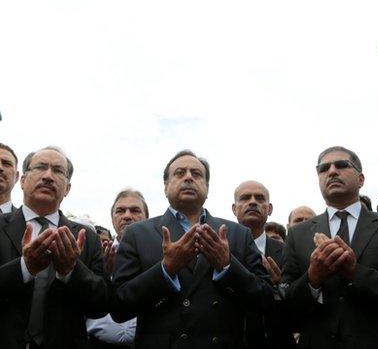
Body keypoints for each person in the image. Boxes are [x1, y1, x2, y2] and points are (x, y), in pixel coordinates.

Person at [112, 150, 273, 348]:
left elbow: (266, 300)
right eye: (180, 173)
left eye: (196, 174)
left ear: (207, 187)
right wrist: (166, 270)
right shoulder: (137, 234)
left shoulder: (238, 234)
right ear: (165, 187)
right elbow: (118, 308)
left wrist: (227, 266)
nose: (188, 177)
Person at [0, 146, 108, 348]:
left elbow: (102, 304)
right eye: (40, 167)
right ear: (23, 181)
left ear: (67, 188)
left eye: (58, 171)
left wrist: (71, 271)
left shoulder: (86, 238)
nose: (48, 176)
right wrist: (24, 269)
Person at [281, 146, 378, 348]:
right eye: (323, 169)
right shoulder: (298, 234)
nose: (332, 171)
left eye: (341, 165)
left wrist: (356, 273)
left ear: (361, 180)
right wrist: (312, 279)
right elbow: (285, 306)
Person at [232, 180, 295, 349]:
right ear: (234, 209)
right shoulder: (220, 250)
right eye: (245, 198)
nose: (252, 202)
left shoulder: (288, 252)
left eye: (259, 198)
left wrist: (281, 286)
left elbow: (297, 302)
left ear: (270, 208)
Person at [86, 189, 149, 348]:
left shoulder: (159, 255)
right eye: (120, 211)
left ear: (147, 218)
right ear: (112, 219)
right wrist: (104, 274)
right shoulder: (94, 254)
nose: (127, 216)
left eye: (135, 210)